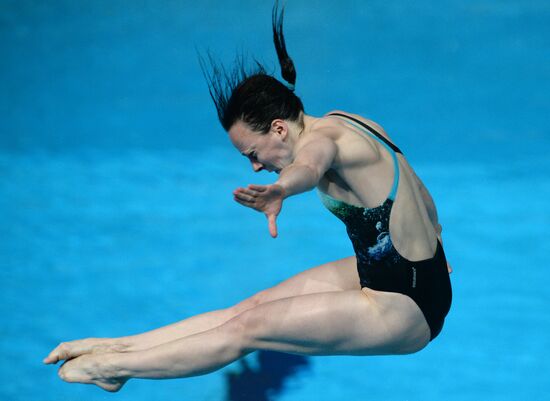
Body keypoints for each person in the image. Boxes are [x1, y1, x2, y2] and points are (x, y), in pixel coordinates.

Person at [43, 2, 452, 392]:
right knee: (248, 308)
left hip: (403, 308)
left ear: (278, 129)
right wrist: (431, 245)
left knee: (246, 331)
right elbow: (421, 194)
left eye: (252, 154)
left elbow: (309, 167)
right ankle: (120, 346)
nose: (255, 167)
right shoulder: (351, 120)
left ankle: (113, 369)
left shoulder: (324, 141)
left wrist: (280, 190)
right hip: (407, 273)